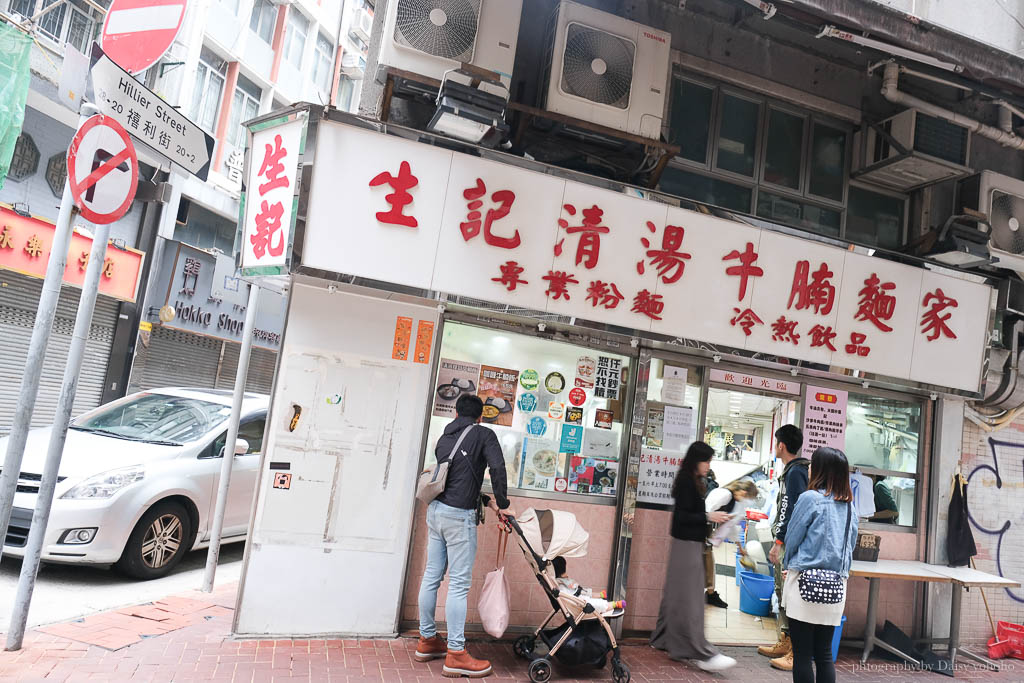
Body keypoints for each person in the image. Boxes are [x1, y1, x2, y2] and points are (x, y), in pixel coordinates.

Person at [415, 394, 515, 678]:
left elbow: (457, 479)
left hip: (435, 512)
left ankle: (427, 640)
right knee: (458, 584)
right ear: (480, 416)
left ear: (457, 414)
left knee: (432, 575)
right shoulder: (484, 434)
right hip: (458, 517)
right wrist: (503, 502)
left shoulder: (444, 438)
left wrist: (488, 502)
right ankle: (456, 653)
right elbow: (496, 467)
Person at [651, 441, 737, 673]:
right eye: (706, 461)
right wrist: (708, 516)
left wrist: (709, 517)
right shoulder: (687, 482)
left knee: (676, 595)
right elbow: (682, 517)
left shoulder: (691, 480)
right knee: (690, 600)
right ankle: (698, 650)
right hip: (686, 543)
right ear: (695, 461)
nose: (708, 466)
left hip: (687, 543)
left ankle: (663, 639)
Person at [781, 447, 858, 683]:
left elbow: (792, 537)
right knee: (824, 654)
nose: (809, 468)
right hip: (835, 588)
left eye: (812, 464)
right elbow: (850, 546)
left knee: (802, 654)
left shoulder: (810, 499)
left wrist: (787, 565)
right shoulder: (849, 507)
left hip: (804, 582)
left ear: (821, 469)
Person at [759, 424, 808, 671]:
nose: (775, 446)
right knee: (782, 590)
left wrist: (779, 542)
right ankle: (785, 641)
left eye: (776, 442)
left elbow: (791, 509)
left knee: (787, 592)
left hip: (789, 543)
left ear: (782, 445)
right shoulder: (795, 470)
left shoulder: (795, 473)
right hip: (789, 541)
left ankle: (794, 650)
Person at [704, 479, 760, 609]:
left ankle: (710, 593)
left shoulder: (736, 502)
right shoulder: (725, 494)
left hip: (706, 531)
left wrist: (740, 548)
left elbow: (733, 527)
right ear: (744, 492)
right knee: (704, 562)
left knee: (708, 561)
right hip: (699, 528)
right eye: (749, 498)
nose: (748, 501)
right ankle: (708, 594)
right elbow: (706, 510)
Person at [551, 556, 626, 615]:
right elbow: (572, 594)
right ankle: (616, 604)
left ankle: (602, 597)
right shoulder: (560, 584)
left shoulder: (557, 583)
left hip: (577, 599)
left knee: (589, 597)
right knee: (597, 604)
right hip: (578, 604)